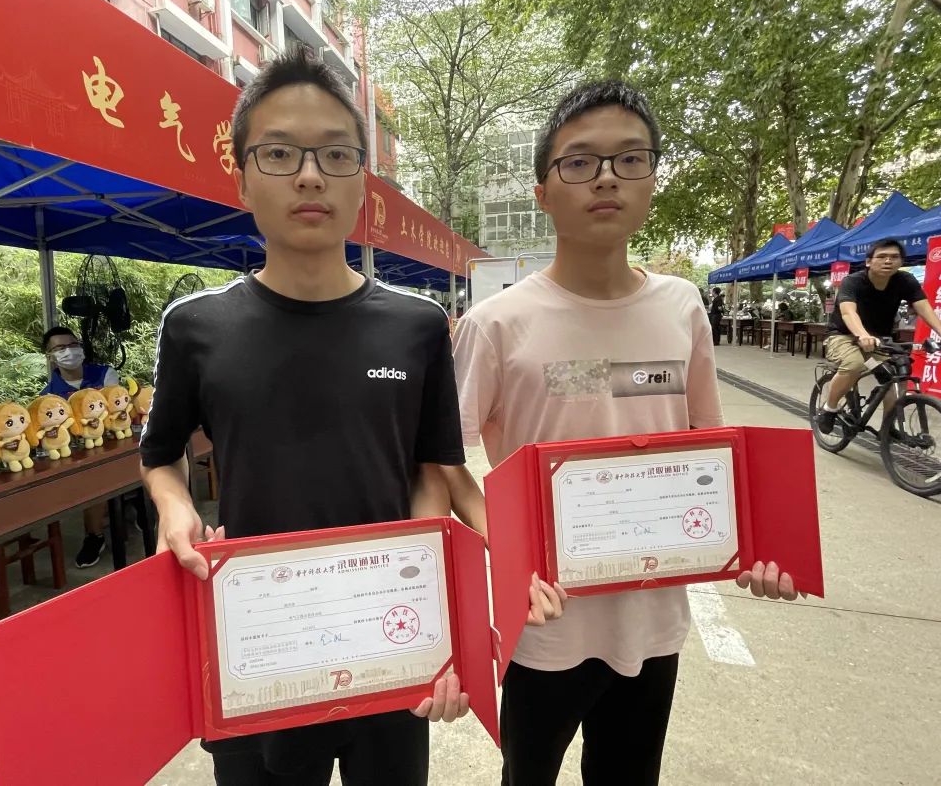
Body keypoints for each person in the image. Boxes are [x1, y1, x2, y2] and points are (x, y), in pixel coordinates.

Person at [442, 80, 802, 786]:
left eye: (630, 159)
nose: (606, 177)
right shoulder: (497, 324)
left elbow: (709, 445)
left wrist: (757, 546)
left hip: (654, 618)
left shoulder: (682, 307)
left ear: (651, 182)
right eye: (580, 161)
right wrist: (506, 551)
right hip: (547, 625)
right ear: (544, 193)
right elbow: (446, 461)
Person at [139, 49, 471, 786]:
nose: (310, 175)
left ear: (362, 181)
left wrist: (431, 616)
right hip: (258, 645)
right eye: (281, 152)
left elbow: (432, 473)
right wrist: (174, 508)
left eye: (336, 154)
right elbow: (160, 455)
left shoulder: (417, 326)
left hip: (387, 639)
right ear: (242, 176)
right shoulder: (197, 327)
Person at [817, 239, 941, 435]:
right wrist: (862, 335)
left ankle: (887, 427)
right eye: (882, 256)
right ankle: (829, 409)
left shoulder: (905, 281)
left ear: (901, 262)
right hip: (843, 335)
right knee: (854, 364)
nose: (888, 261)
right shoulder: (853, 281)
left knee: (898, 373)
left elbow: (924, 309)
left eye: (894, 257)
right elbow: (849, 312)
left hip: (880, 339)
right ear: (868, 261)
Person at [39, 326, 119, 567]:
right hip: (77, 456)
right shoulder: (48, 396)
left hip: (115, 445)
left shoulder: (105, 375)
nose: (69, 351)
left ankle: (136, 510)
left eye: (73, 345)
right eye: (60, 348)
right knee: (90, 477)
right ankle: (95, 535)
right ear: (50, 356)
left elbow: (117, 409)